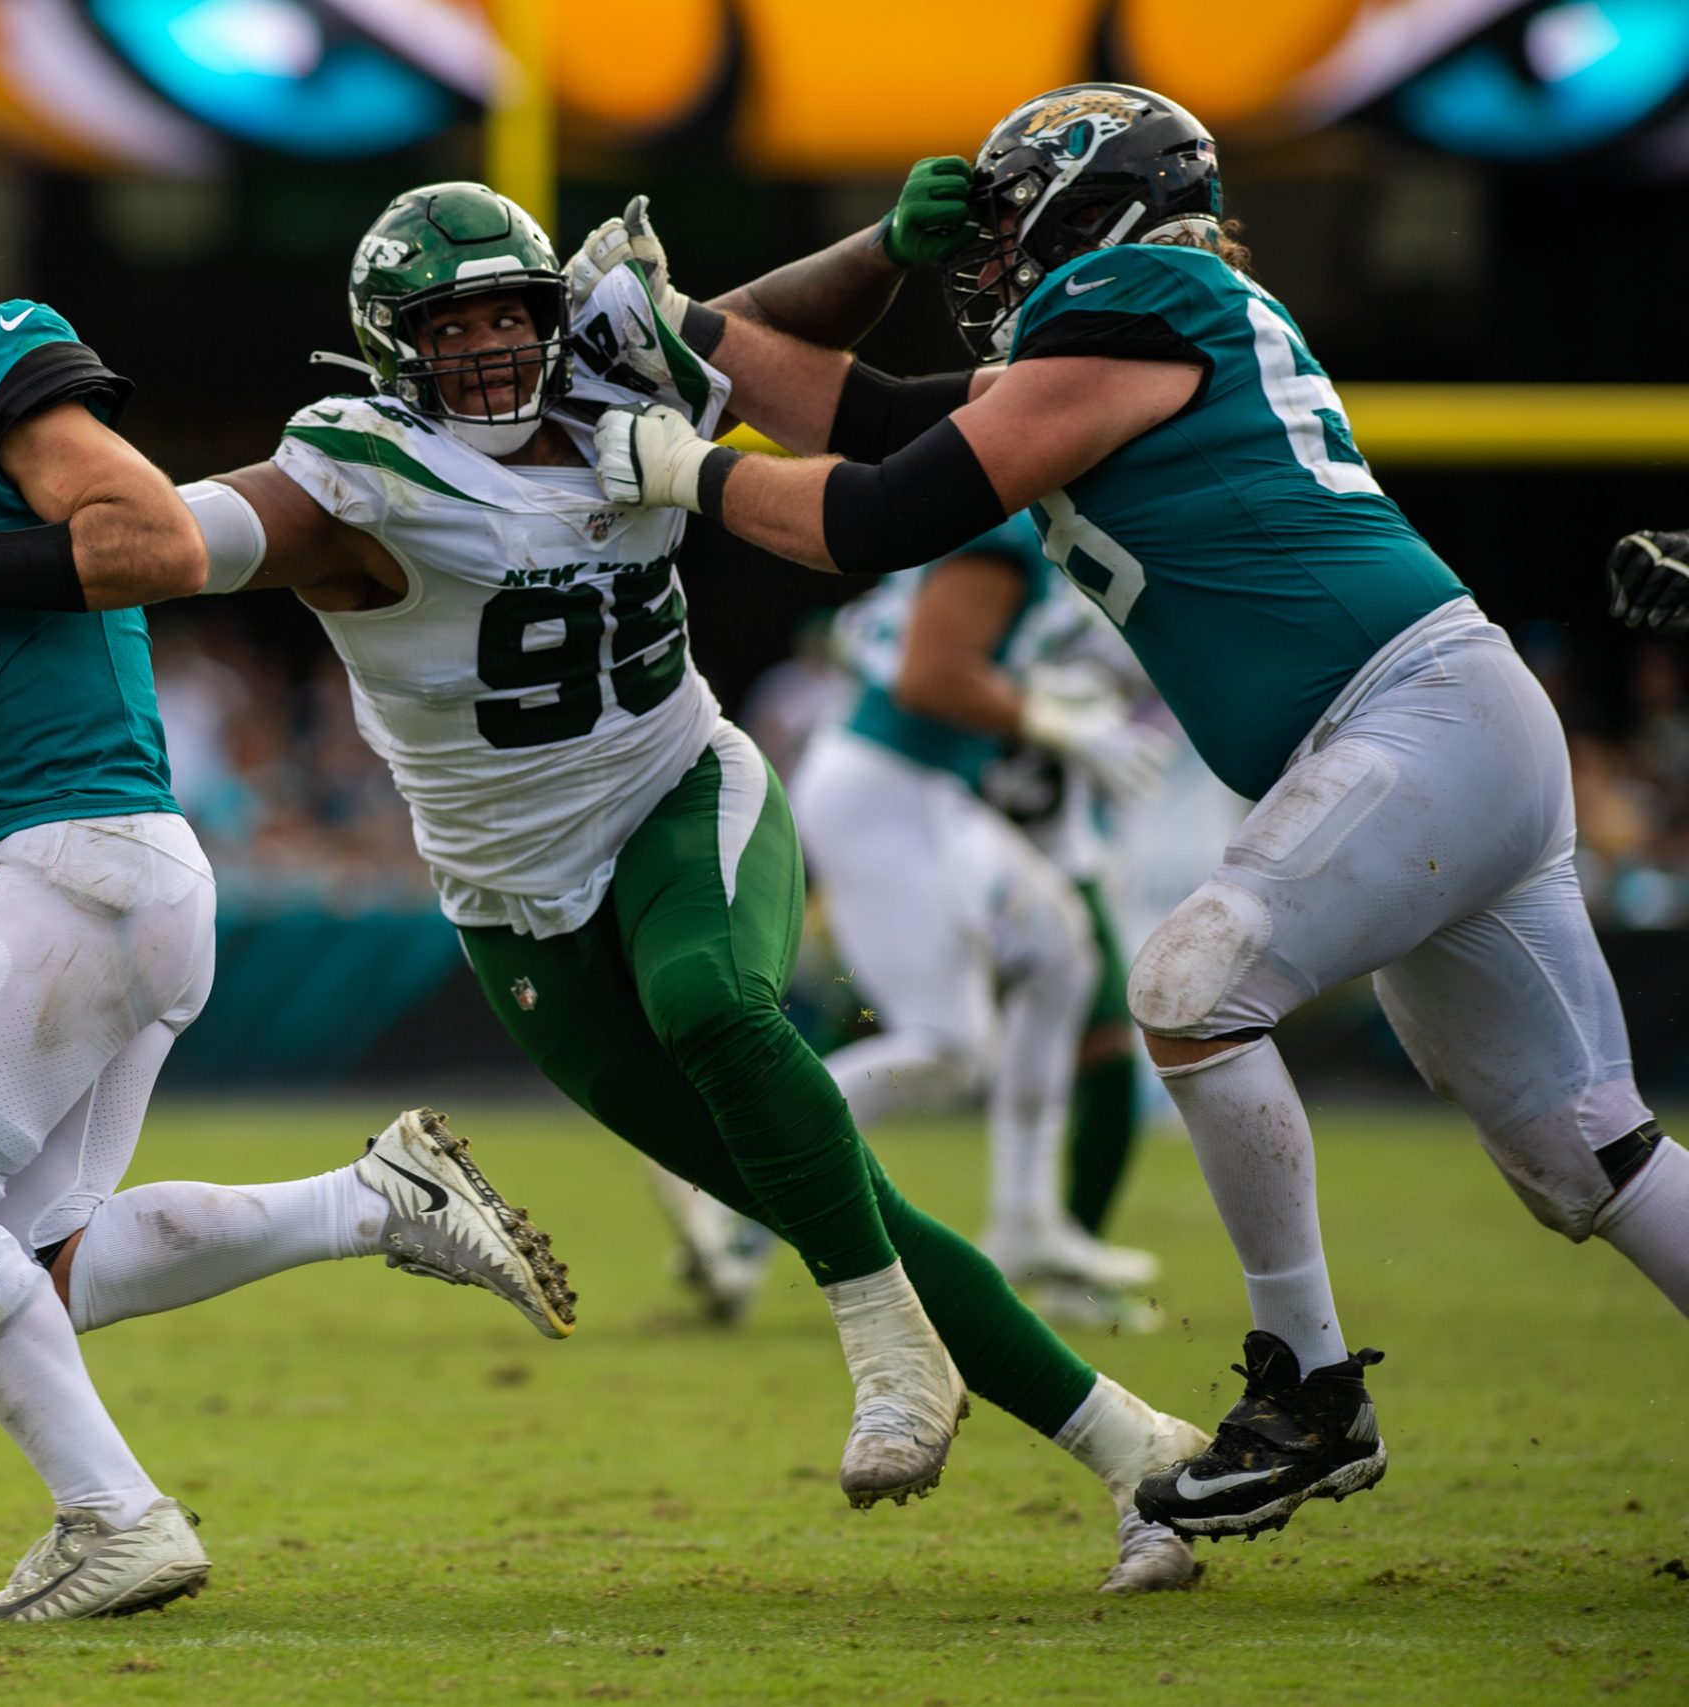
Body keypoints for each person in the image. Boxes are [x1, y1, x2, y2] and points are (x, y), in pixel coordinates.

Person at [584, 83, 1689, 1542]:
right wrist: (691, 335)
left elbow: (874, 514)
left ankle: (1308, 1390)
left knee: (1190, 982)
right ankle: (1311, 1388)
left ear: (1084, 207)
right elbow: (878, 414)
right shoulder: (1130, 324)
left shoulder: (1137, 293)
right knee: (1584, 1148)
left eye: (1002, 220)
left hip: (1412, 719)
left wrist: (692, 472)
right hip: (1437, 727)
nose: (986, 255)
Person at [136, 182, 1205, 1590]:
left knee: (713, 997)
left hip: (680, 789)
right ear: (392, 347)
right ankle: (1144, 1455)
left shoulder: (619, 376)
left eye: (512, 315)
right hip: (514, 903)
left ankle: (890, 1352)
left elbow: (768, 325)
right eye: (451, 328)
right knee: (836, 1194)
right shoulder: (356, 473)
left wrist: (886, 246)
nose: (492, 353)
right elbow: (159, 540)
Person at [0, 194, 574, 1626]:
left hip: (85, 852)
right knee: (37, 1260)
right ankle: (370, 1201)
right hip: (71, 881)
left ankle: (114, 1514)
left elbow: (156, 537)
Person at [790, 515, 1166, 1318]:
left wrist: (1035, 692)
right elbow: (931, 677)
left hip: (923, 788)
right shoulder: (1003, 527)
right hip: (889, 786)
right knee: (949, 1049)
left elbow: (893, 645)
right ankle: (732, 1153)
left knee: (1064, 950)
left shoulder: (988, 513)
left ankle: (1027, 1218)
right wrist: (1049, 719)